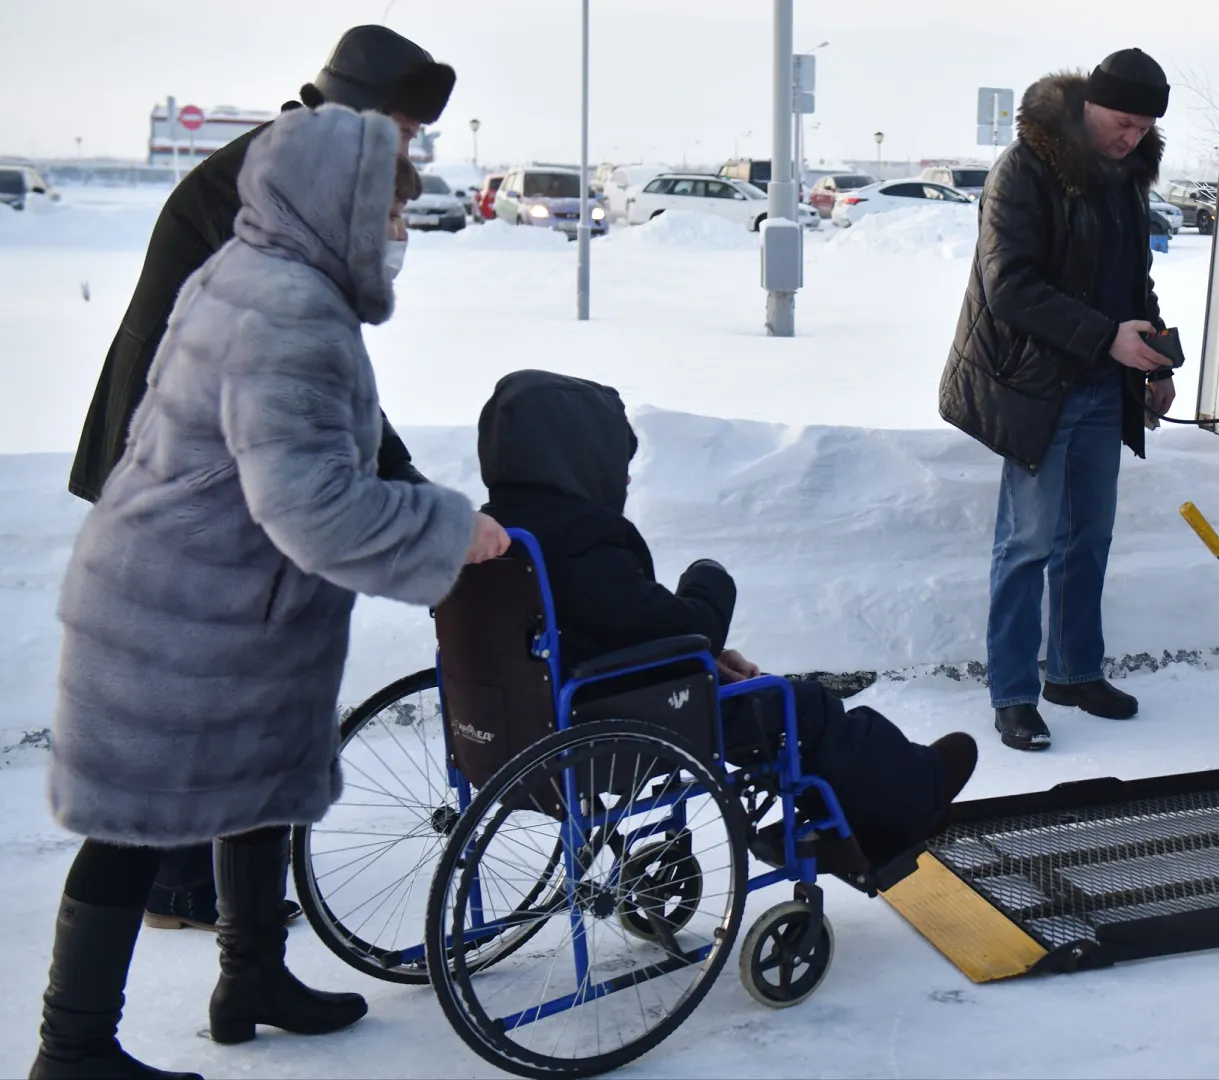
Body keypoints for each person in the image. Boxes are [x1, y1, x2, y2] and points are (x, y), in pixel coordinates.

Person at [32, 107, 509, 1080]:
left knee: (259, 769)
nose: (398, 239)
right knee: (136, 813)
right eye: (388, 217)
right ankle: (71, 1050)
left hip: (225, 582)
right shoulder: (280, 306)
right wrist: (447, 535)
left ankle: (251, 978)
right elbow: (309, 503)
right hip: (177, 594)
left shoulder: (282, 285)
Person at [64, 24, 456, 934]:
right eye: (400, 126)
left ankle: (242, 953)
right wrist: (399, 491)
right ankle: (165, 900)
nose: (406, 150)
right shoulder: (278, 179)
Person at [476, 370, 977, 868]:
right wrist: (707, 581)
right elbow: (676, 627)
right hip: (629, 715)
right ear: (576, 458)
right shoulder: (577, 540)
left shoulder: (503, 538)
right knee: (803, 708)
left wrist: (704, 658)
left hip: (544, 713)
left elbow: (617, 622)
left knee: (769, 703)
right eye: (615, 460)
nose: (625, 477)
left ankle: (854, 809)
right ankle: (915, 791)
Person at [938, 49, 1175, 752]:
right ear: (1090, 106)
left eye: (1143, 129)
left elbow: (1136, 279)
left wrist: (1154, 359)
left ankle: (1072, 672)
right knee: (1028, 542)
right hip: (1035, 385)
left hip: (1104, 383)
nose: (1131, 138)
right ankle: (1012, 692)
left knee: (1088, 537)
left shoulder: (1126, 176)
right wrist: (1108, 338)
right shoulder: (1024, 169)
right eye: (1122, 122)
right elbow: (1009, 284)